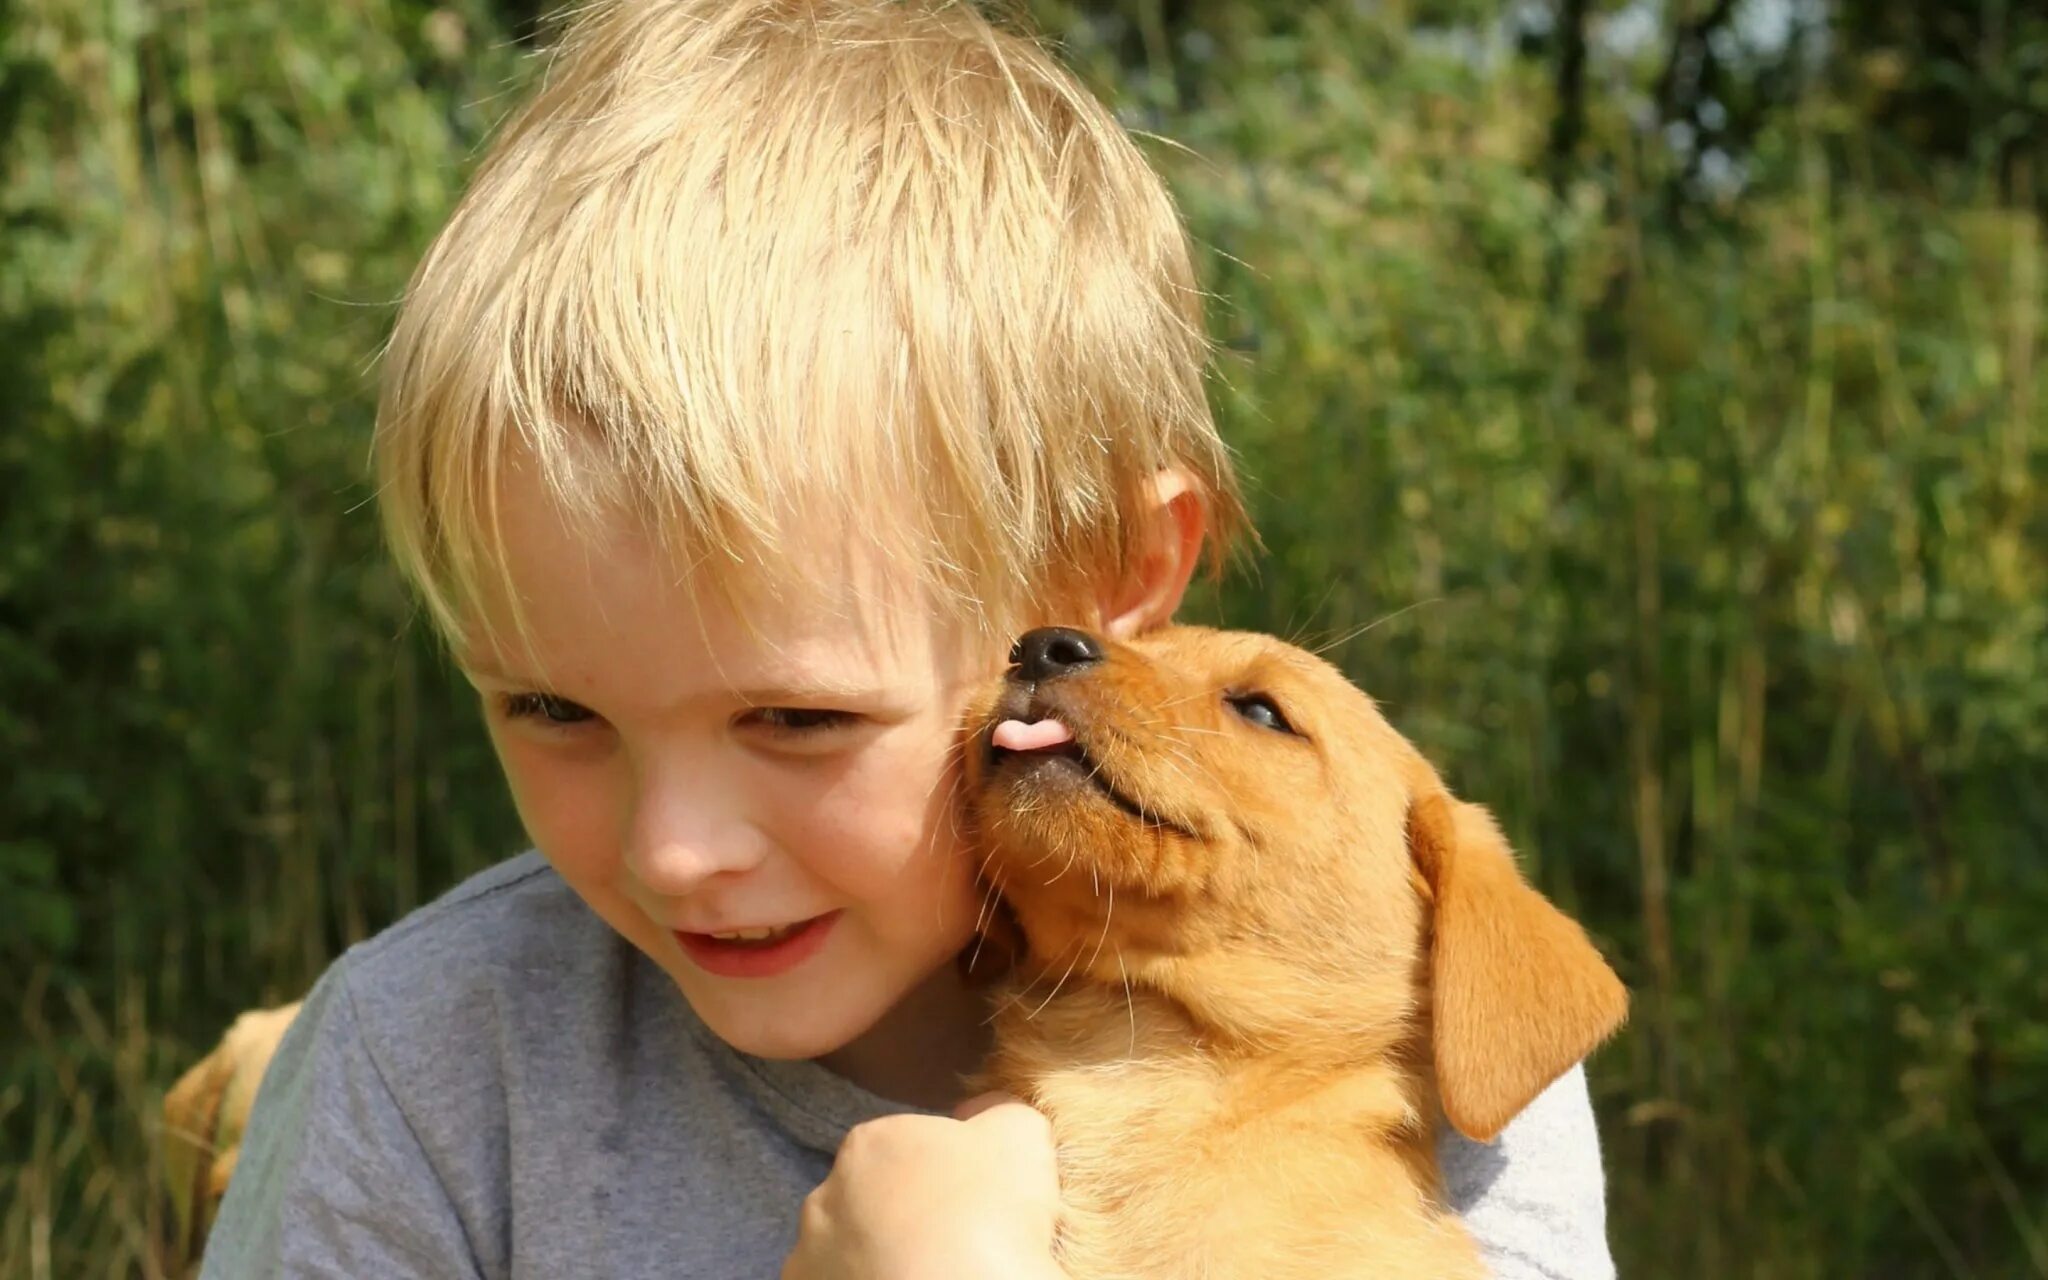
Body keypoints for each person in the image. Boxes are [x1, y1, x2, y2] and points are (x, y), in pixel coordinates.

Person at [200, 1, 1617, 1276]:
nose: (674, 852)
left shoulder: (1438, 1047)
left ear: (1115, 579)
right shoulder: (423, 1064)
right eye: (551, 710)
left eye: (799, 718)